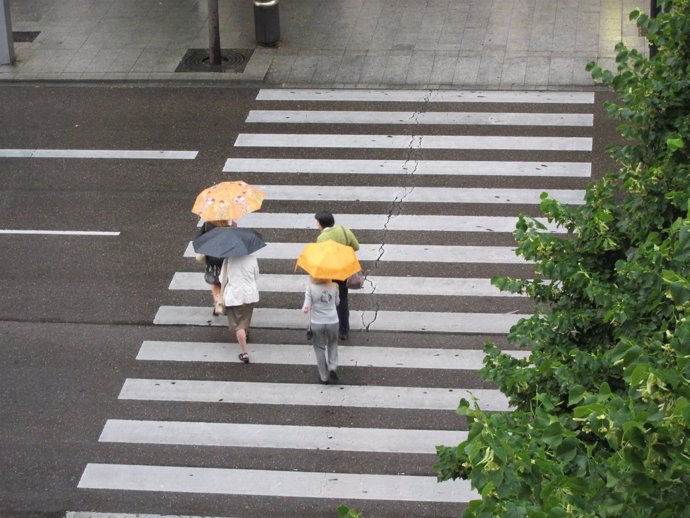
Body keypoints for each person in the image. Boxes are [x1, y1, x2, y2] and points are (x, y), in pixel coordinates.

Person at [314, 210, 359, 340]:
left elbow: (320, 257)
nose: (316, 225)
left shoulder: (322, 237)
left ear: (322, 223)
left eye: (317, 222)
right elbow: (356, 246)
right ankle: (344, 331)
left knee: (328, 300)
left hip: (330, 272)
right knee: (343, 300)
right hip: (345, 270)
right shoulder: (344, 230)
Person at [219, 253, 259, 364]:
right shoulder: (252, 258)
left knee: (238, 325)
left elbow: (222, 279)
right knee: (245, 319)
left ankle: (244, 352)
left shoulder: (228, 260)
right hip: (250, 295)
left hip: (234, 296)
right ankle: (245, 333)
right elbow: (256, 276)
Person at [303, 275, 340, 384]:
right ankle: (332, 366)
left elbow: (306, 307)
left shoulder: (310, 287)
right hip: (333, 320)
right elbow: (337, 302)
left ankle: (323, 376)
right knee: (332, 343)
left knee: (319, 348)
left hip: (317, 322)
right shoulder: (335, 286)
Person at [195, 219, 236, 316]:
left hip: (212, 259)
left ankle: (217, 302)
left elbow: (198, 240)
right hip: (225, 259)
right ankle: (225, 301)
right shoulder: (230, 223)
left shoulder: (207, 224)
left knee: (215, 282)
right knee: (225, 282)